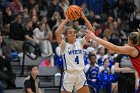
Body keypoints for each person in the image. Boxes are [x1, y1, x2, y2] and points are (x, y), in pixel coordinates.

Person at [55, 11, 94, 93]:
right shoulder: (64, 45)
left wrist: (84, 17)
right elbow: (57, 33)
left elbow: (92, 32)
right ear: (66, 36)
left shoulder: (80, 43)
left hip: (80, 74)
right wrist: (66, 19)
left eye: (74, 32)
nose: (73, 34)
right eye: (70, 33)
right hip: (69, 75)